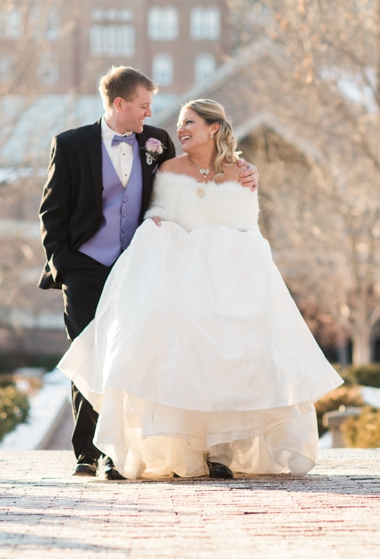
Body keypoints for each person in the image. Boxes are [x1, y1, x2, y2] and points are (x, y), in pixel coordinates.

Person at [57, 98, 343, 479]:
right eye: (179, 123)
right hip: (181, 274)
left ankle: (221, 450)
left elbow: (247, 227)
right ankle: (145, 450)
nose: (180, 130)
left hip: (228, 278)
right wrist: (159, 228)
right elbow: (157, 215)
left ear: (214, 127)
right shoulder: (168, 167)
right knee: (178, 356)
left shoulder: (242, 174)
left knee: (233, 359)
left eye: (189, 122)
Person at [38, 67, 257, 479]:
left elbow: (189, 183)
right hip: (85, 266)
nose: (149, 112)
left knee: (131, 353)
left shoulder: (156, 142)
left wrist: (243, 172)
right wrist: (65, 265)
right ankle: (88, 453)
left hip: (140, 265)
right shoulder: (70, 145)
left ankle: (121, 450)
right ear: (119, 104)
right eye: (143, 105)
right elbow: (52, 213)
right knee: (90, 351)